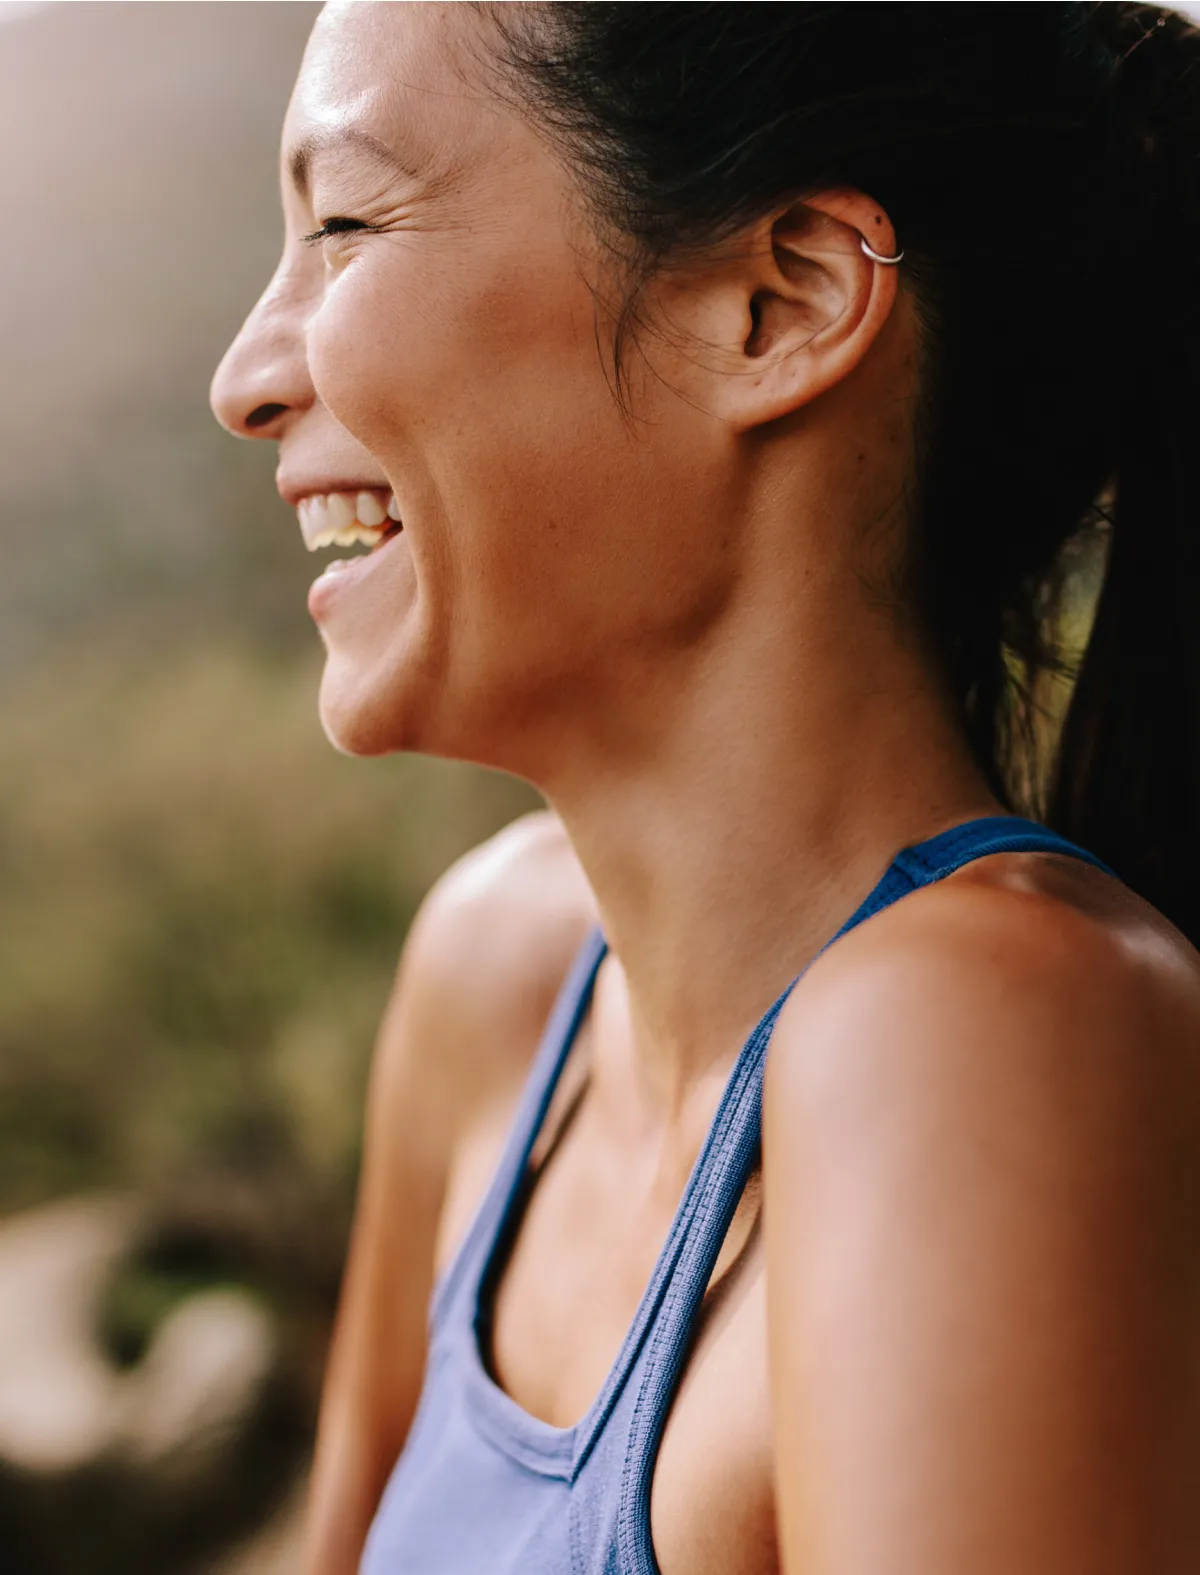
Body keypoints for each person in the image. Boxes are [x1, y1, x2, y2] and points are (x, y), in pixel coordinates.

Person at [209, 3, 1200, 1571]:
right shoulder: (498, 969)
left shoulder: (981, 1035)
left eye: (344, 225)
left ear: (777, 304)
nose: (246, 377)